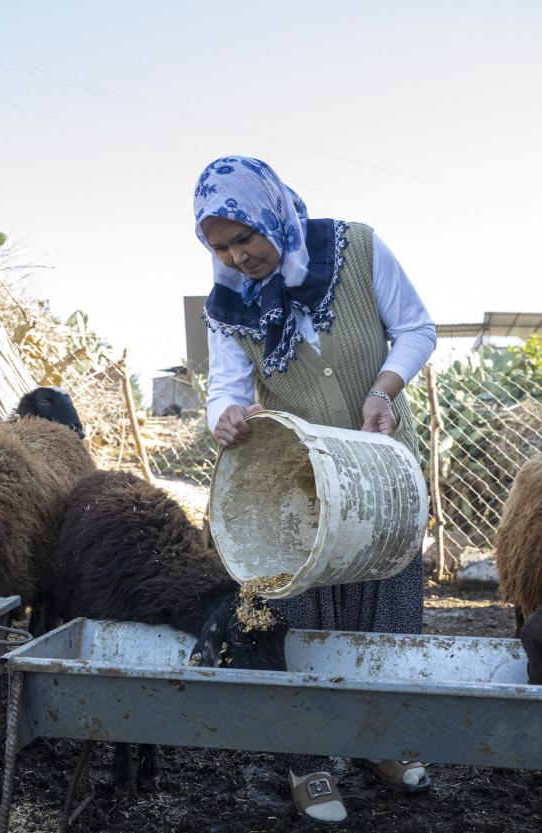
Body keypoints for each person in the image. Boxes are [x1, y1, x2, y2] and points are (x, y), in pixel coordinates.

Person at [193, 155, 437, 824]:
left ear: (271, 213)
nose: (236, 256)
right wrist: (227, 417)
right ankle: (310, 763)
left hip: (380, 462)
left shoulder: (354, 247)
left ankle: (385, 743)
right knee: (304, 617)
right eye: (219, 246)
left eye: (244, 237)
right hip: (297, 479)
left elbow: (416, 328)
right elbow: (225, 388)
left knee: (386, 610)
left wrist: (382, 390)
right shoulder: (226, 307)